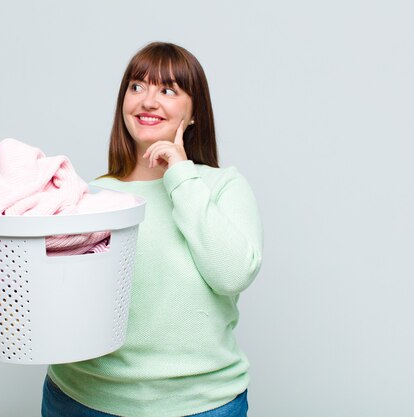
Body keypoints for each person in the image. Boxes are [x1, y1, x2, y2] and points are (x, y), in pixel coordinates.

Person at [42, 41, 263, 417]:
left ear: (194, 113)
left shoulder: (221, 186)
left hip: (202, 404)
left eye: (168, 90)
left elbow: (232, 275)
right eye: (137, 86)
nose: (147, 101)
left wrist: (179, 174)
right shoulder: (92, 193)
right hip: (82, 399)